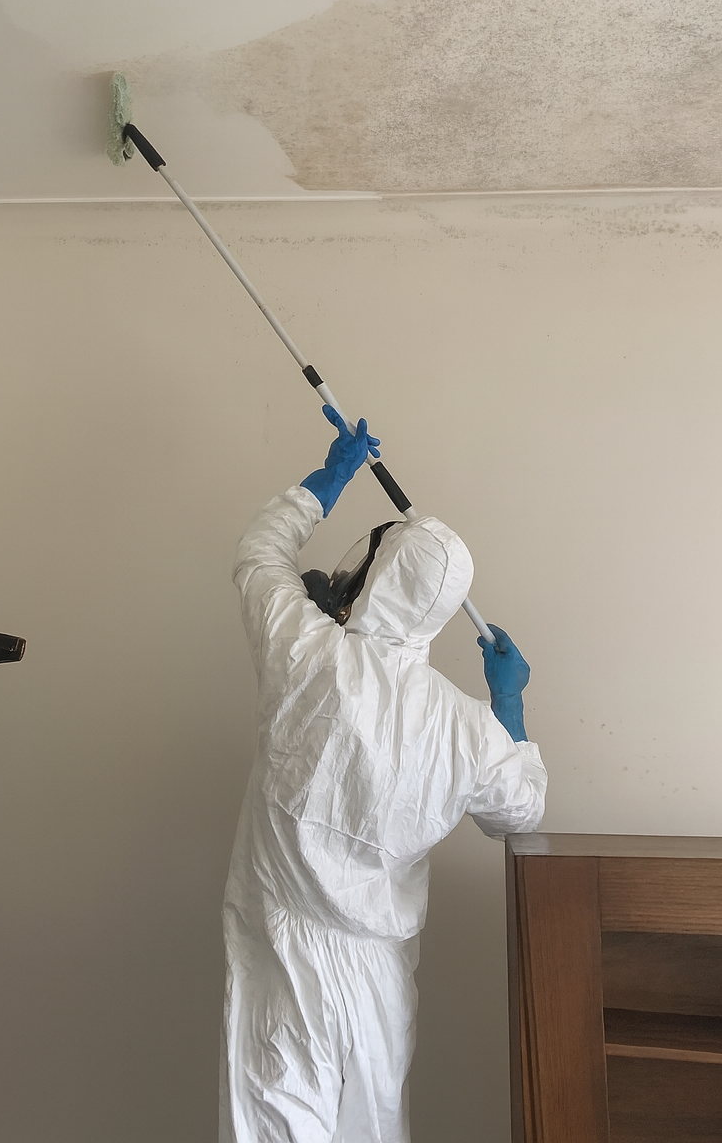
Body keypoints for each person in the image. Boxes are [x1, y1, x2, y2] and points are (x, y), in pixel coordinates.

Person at [221, 408, 547, 1143]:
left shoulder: (306, 650)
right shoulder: (467, 727)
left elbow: (257, 554)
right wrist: (509, 701)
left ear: (375, 577)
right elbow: (519, 811)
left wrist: (330, 477)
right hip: (380, 980)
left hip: (287, 960)